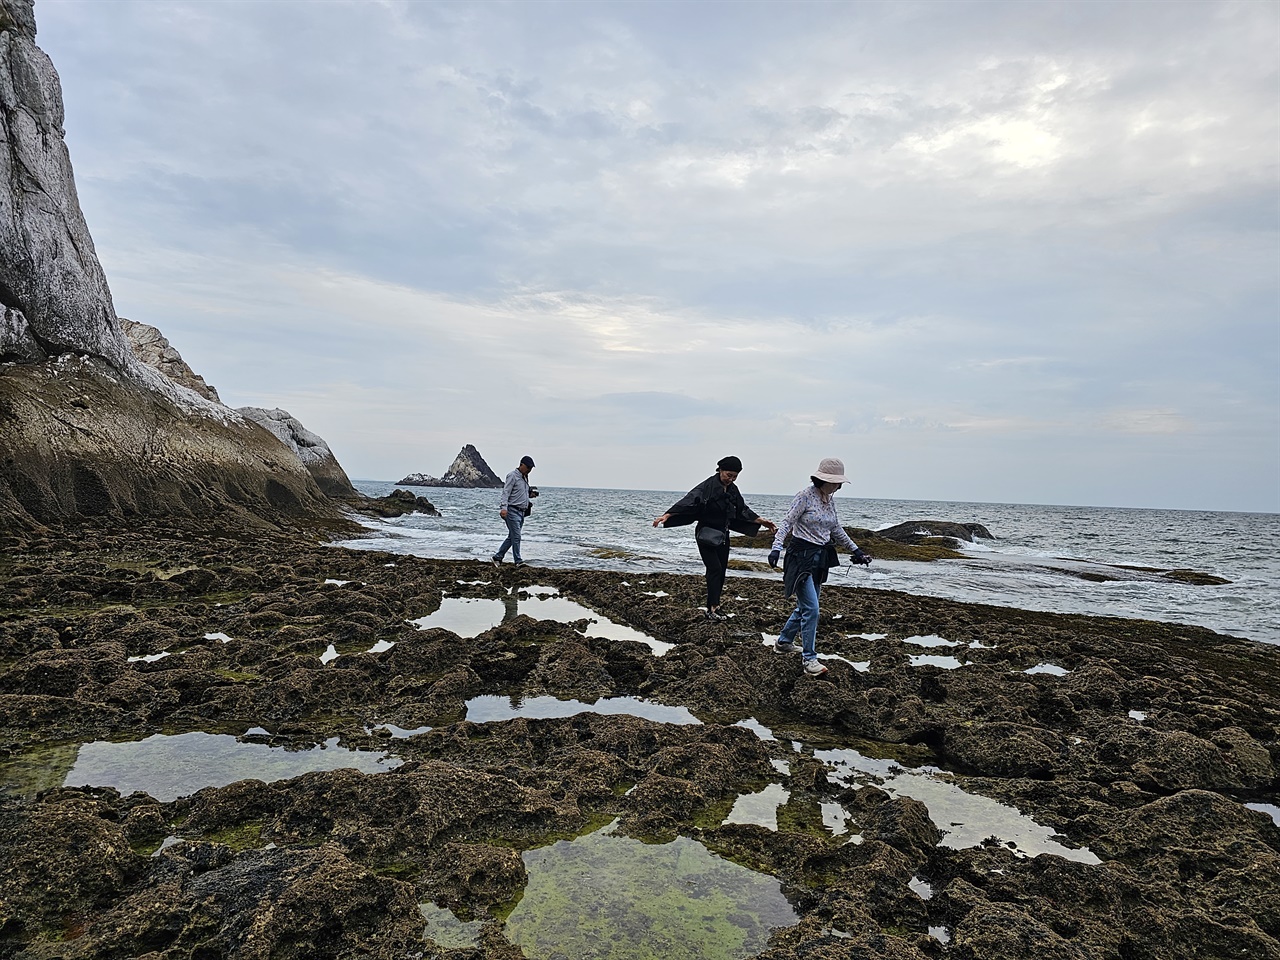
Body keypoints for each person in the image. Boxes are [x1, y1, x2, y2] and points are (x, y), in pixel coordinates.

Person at [767, 457, 872, 676]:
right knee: (812, 609)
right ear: (823, 479)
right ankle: (809, 659)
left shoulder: (829, 500)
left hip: (819, 559)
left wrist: (857, 551)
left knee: (806, 607)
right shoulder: (804, 496)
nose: (838, 486)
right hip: (800, 558)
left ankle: (784, 642)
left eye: (839, 482)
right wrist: (776, 547)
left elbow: (836, 529)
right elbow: (787, 523)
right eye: (835, 481)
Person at [653, 456, 777, 621]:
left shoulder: (733, 489)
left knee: (721, 570)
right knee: (714, 569)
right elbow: (688, 502)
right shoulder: (707, 487)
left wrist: (761, 521)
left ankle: (715, 606)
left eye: (734, 476)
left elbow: (742, 510)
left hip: (723, 535)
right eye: (728, 475)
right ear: (720, 470)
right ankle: (712, 608)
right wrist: (667, 515)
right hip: (705, 534)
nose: (730, 479)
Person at [492, 455, 537, 568]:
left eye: (531, 468)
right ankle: (518, 561)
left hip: (521, 512)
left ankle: (497, 557)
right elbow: (506, 493)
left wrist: (530, 495)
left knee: (512, 537)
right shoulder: (512, 476)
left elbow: (520, 493)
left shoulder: (525, 478)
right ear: (521, 465)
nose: (529, 470)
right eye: (528, 468)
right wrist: (504, 508)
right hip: (512, 510)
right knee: (516, 537)